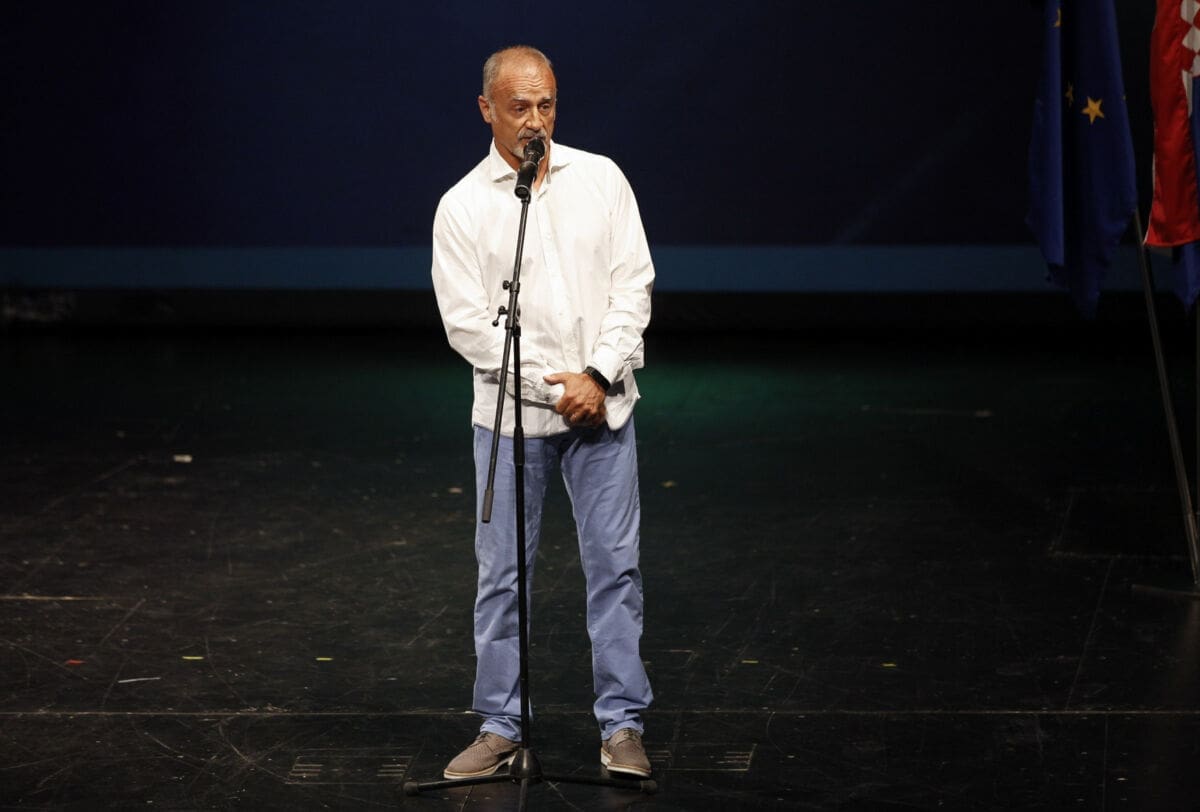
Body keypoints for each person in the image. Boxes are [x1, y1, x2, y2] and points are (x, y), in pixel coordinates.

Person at [430, 45, 655, 780]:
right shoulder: (464, 207)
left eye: (547, 104)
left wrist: (598, 375)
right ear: (486, 110)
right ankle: (502, 725)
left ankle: (621, 725)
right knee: (502, 579)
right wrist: (556, 390)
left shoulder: (602, 179)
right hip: (510, 423)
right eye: (519, 106)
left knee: (615, 571)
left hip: (603, 413)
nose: (536, 121)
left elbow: (633, 287)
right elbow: (471, 329)